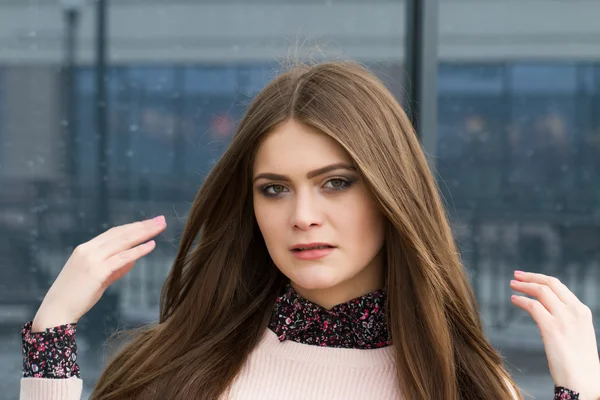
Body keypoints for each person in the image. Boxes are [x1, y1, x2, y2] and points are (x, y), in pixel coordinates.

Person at [20, 61, 600, 400]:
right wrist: (50, 341)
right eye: (274, 188)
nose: (302, 215)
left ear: (390, 192)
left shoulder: (466, 384)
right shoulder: (175, 369)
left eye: (336, 182)